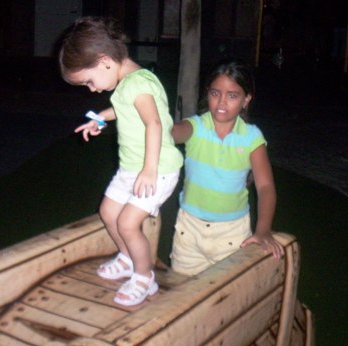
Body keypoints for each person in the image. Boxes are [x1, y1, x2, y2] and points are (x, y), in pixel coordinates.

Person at [58, 16, 183, 306]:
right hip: (132, 168)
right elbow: (122, 109)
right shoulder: (127, 84)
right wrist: (99, 119)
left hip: (158, 169)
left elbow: (153, 123)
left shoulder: (139, 83)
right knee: (108, 211)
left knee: (127, 223)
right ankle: (128, 259)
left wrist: (149, 169)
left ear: (104, 60)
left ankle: (144, 277)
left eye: (89, 81)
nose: (91, 89)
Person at [170, 58, 284, 276]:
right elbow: (173, 133)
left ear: (246, 99)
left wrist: (263, 230)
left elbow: (265, 187)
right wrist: (152, 121)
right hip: (189, 231)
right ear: (208, 94)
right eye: (215, 93)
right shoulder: (196, 126)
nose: (222, 102)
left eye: (232, 96)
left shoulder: (252, 138)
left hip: (232, 234)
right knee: (182, 290)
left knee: (229, 293)